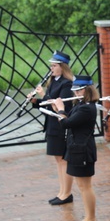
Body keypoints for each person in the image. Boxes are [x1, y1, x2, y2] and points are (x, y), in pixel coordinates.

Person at [52, 76, 99, 221]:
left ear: (87, 90)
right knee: (81, 185)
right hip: (76, 149)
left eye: (79, 90)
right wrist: (57, 110)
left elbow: (66, 123)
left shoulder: (87, 108)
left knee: (85, 186)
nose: (76, 92)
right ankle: (88, 217)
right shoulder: (81, 104)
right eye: (75, 90)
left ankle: (91, 218)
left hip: (83, 150)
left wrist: (60, 109)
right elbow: (68, 118)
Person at [31, 51, 74, 205]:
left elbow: (60, 105)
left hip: (60, 124)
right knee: (58, 159)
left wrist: (44, 95)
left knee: (63, 160)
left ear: (62, 67)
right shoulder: (53, 81)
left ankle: (67, 193)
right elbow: (46, 104)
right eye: (51, 66)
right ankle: (61, 191)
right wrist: (35, 100)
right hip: (51, 124)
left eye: (54, 66)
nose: (51, 68)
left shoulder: (66, 84)